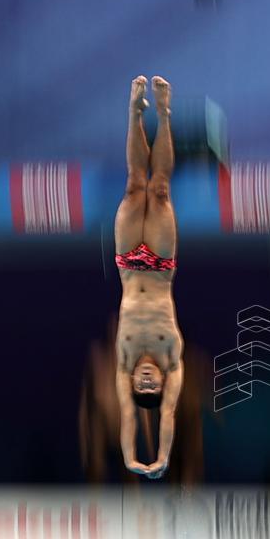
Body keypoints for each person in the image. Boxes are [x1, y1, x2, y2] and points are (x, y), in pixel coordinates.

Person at [115, 75, 183, 478]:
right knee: (158, 190)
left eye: (140, 388)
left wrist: (129, 458)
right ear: (159, 383)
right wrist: (162, 457)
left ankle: (133, 112)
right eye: (150, 389)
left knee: (132, 187)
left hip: (127, 264)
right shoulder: (172, 362)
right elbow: (169, 414)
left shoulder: (124, 362)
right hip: (159, 266)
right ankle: (164, 111)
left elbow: (127, 415)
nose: (144, 384)